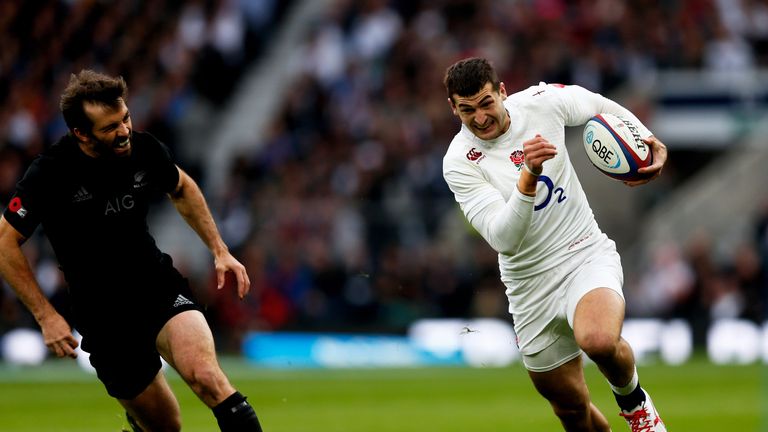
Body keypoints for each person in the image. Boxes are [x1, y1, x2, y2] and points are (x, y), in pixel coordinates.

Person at [0, 70, 263, 432]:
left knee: (207, 378)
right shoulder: (50, 173)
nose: (124, 131)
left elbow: (181, 186)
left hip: (156, 285)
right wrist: (46, 315)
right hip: (102, 315)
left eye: (125, 118)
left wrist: (219, 248)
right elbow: (5, 243)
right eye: (110, 127)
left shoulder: (144, 149)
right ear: (81, 133)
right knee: (166, 426)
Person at [441, 57, 668, 432]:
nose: (479, 118)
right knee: (571, 410)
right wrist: (528, 176)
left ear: (502, 92)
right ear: (454, 108)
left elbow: (599, 105)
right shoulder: (459, 162)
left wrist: (647, 141)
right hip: (529, 287)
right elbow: (503, 239)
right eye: (467, 110)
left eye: (485, 103)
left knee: (598, 340)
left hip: (583, 253)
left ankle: (637, 407)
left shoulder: (542, 104)